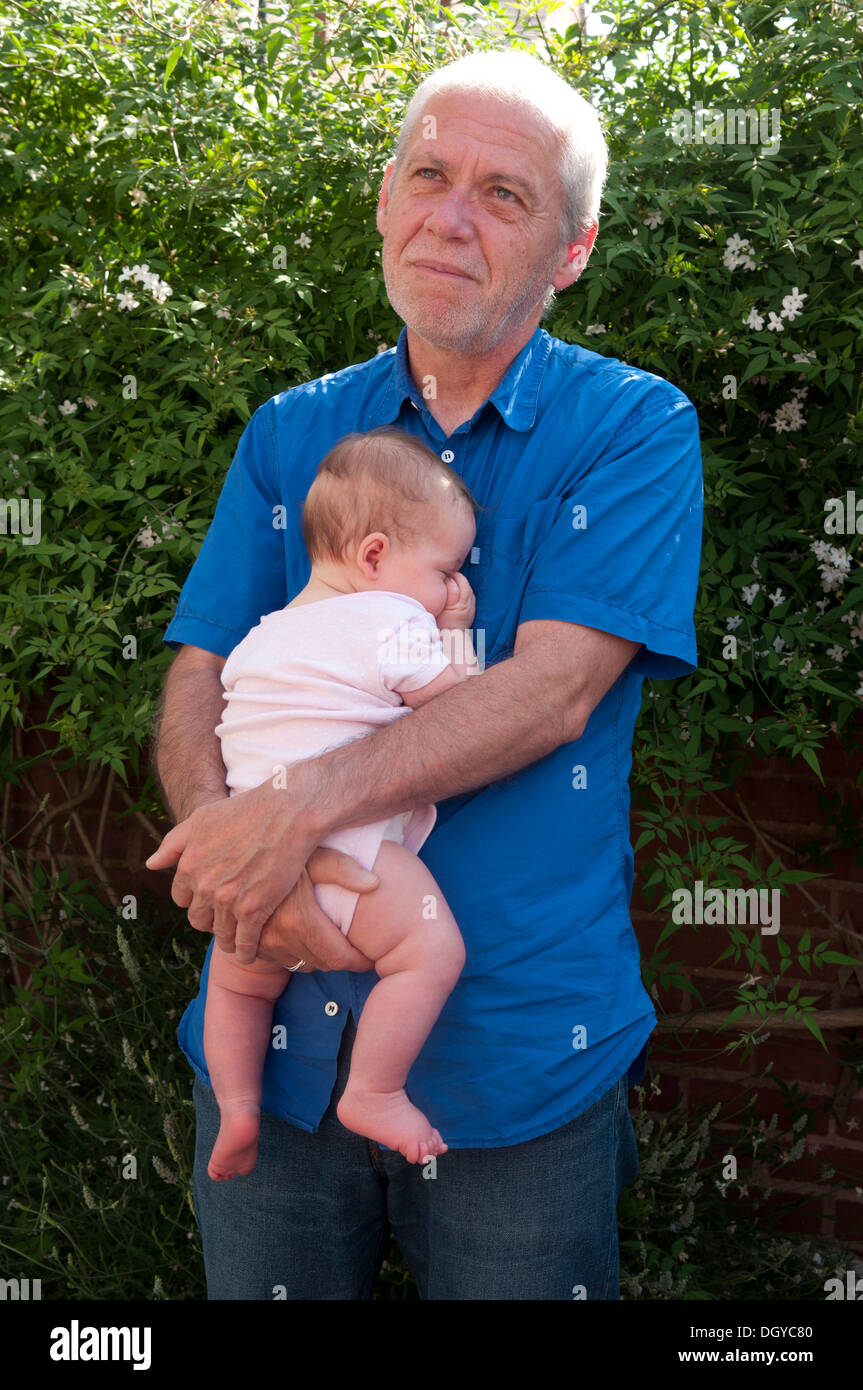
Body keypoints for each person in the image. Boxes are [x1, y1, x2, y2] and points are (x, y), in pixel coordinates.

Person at [147, 46, 703, 1300]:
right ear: (385, 198)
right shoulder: (293, 434)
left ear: (570, 249)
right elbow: (200, 672)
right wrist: (229, 858)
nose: (449, 215)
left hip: (513, 1057)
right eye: (427, 174)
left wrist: (288, 814)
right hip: (271, 1050)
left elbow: (551, 688)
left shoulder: (632, 429)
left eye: (503, 195)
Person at [203, 429, 478, 1179]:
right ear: (375, 557)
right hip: (349, 854)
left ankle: (236, 1107)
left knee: (234, 984)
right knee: (429, 954)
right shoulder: (393, 621)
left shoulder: (263, 637)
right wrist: (455, 633)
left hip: (251, 869)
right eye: (444, 570)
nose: (450, 586)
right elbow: (460, 717)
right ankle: (376, 1090)